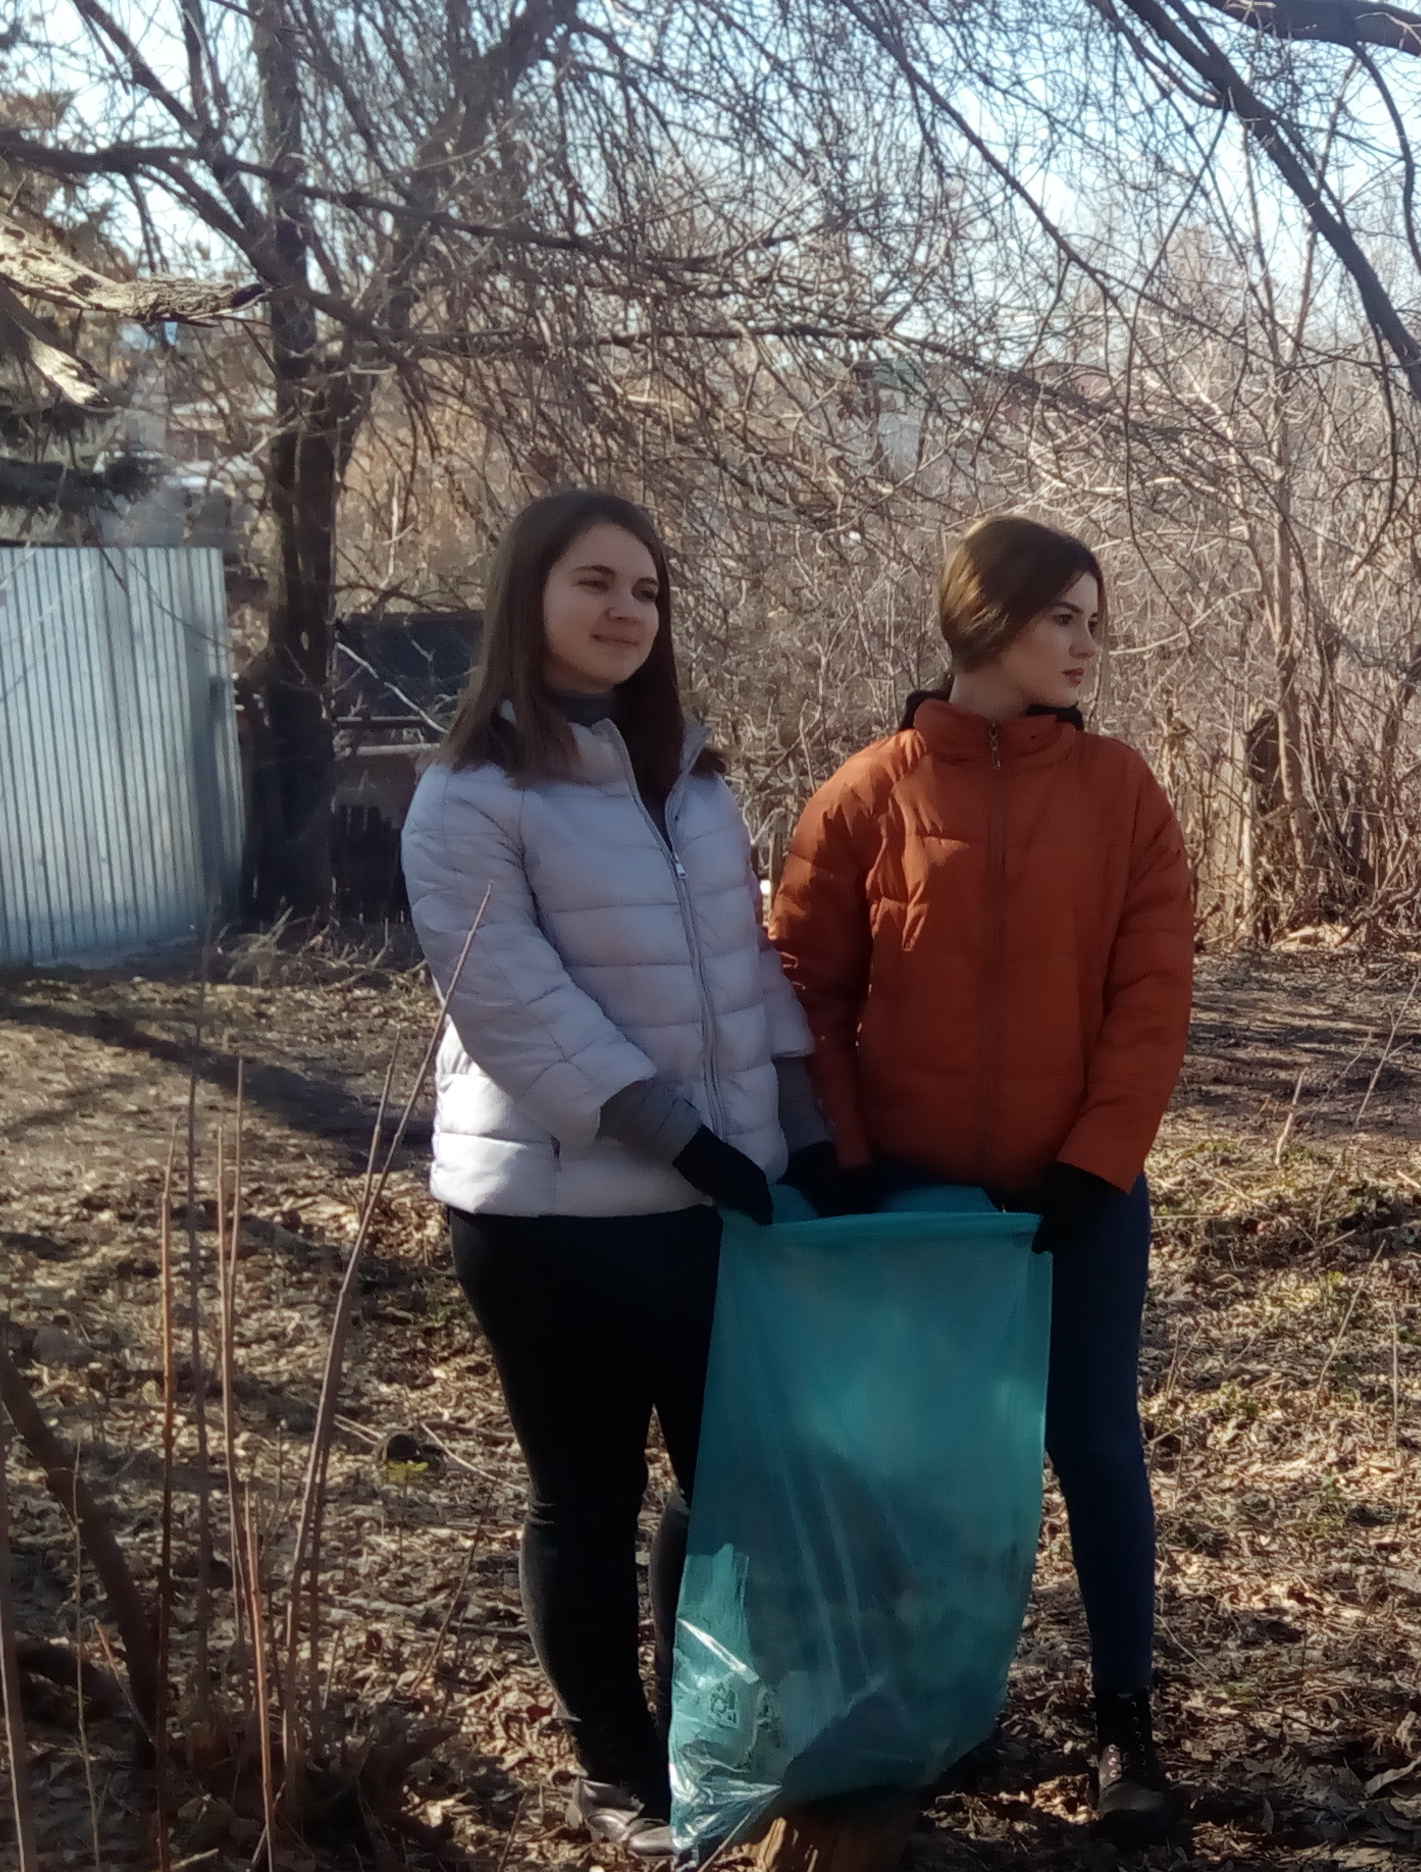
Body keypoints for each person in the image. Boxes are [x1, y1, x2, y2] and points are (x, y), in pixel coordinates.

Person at [403, 489, 820, 1859]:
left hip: (708, 1208)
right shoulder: (470, 799)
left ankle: (712, 1730)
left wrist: (799, 1124)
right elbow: (512, 1005)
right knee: (585, 1500)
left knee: (726, 1489)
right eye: (595, 581)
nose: (625, 610)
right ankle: (615, 1764)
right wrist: (682, 1136)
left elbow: (745, 972)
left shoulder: (690, 782)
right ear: (528, 597)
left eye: (645, 589)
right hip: (550, 1220)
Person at [769, 514, 1196, 1845]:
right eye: (1061, 615)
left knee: (1097, 1451)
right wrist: (844, 1155)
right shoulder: (868, 794)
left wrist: (1094, 1165)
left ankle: (1124, 1725)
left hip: (1078, 1202)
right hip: (909, 1207)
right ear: (985, 618)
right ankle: (931, 1711)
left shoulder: (1122, 792)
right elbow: (801, 990)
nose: (1085, 644)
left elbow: (1153, 998)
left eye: (1093, 620)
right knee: (920, 1465)